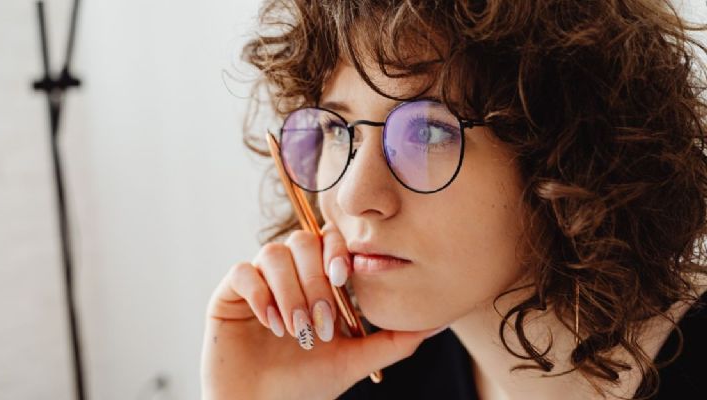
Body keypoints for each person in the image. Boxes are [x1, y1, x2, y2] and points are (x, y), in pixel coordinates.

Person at [200, 0, 707, 399]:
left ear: (568, 155)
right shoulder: (356, 372)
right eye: (338, 130)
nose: (353, 196)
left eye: (427, 131)